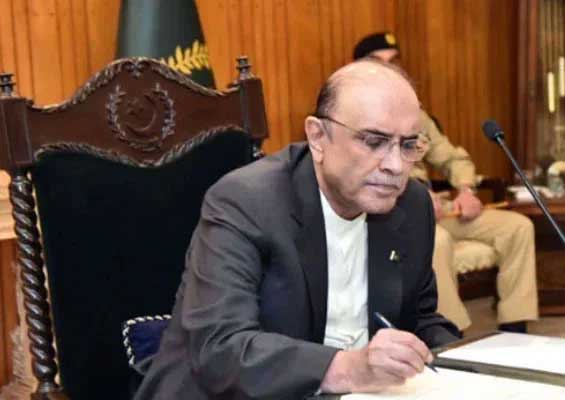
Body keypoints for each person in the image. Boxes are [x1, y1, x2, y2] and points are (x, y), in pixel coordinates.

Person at [134, 60, 460, 399]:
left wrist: (475, 367)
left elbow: (420, 320)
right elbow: (220, 348)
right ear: (318, 137)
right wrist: (350, 368)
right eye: (373, 141)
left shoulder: (411, 204)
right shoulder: (246, 202)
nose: (395, 165)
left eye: (408, 145)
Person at [353, 32, 538, 333]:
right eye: (378, 62)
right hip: (390, 215)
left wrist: (466, 190)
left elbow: (452, 159)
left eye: (393, 62)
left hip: (438, 209)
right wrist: (412, 198)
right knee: (435, 241)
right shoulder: (353, 115)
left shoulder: (415, 113)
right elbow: (359, 176)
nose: (388, 69)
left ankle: (515, 330)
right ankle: (451, 337)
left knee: (517, 227)